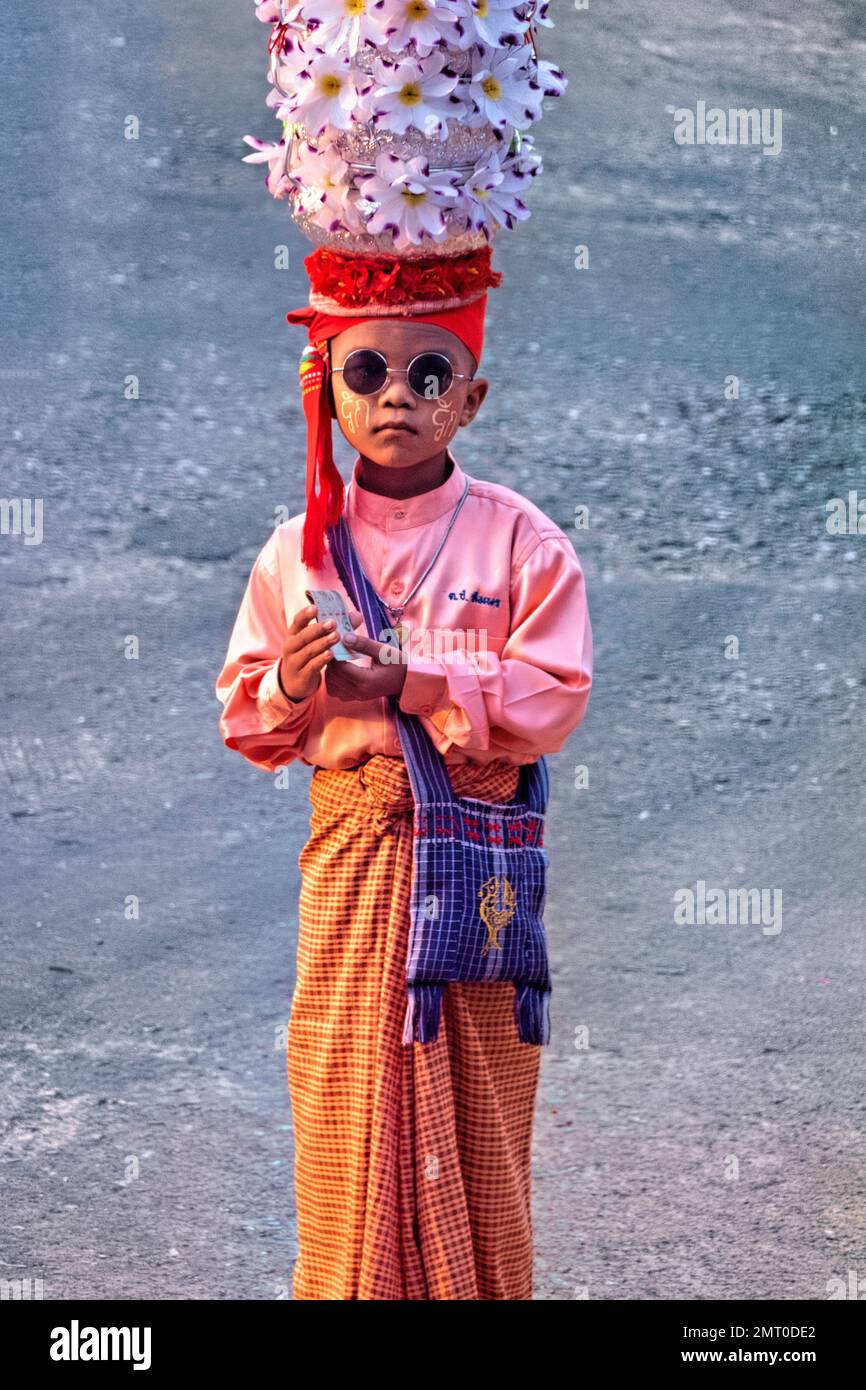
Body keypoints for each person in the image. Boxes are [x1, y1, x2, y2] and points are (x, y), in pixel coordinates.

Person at [214, 245, 593, 1298]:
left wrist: (420, 680)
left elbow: (553, 699)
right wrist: (290, 688)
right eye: (366, 374)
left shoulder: (523, 545)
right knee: (342, 1110)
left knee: (476, 1120)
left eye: (428, 376)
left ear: (469, 399)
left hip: (474, 881)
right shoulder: (298, 554)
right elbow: (245, 723)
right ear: (325, 390)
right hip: (349, 872)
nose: (397, 399)